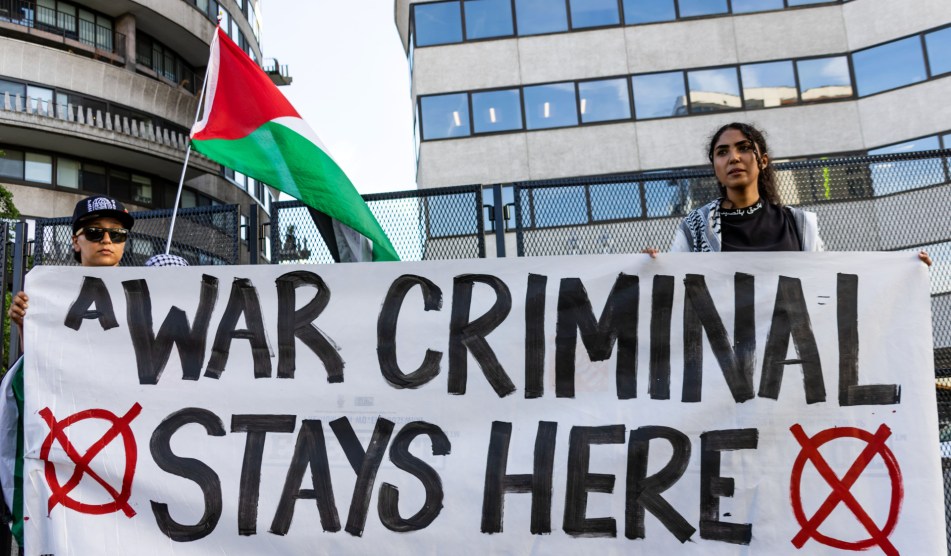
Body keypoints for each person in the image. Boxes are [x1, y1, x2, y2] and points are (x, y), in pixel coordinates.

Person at [645, 122, 932, 265]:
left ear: (763, 161)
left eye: (744, 148)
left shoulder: (799, 225)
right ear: (715, 166)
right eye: (722, 152)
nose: (733, 158)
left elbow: (830, 283)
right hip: (722, 370)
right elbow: (671, 288)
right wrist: (649, 267)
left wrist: (906, 271)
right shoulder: (694, 228)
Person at [7, 195, 134, 335]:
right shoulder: (49, 293)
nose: (106, 240)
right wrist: (25, 326)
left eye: (117, 233)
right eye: (94, 232)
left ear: (124, 242)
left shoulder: (149, 293)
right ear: (75, 242)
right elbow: (44, 353)